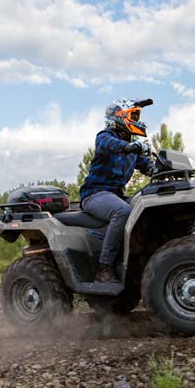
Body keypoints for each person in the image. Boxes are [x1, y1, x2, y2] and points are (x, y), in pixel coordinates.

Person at [80, 99, 156, 284]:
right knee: (123, 211)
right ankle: (104, 267)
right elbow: (111, 144)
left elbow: (147, 165)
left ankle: (136, 262)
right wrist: (130, 147)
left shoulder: (132, 147)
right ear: (119, 117)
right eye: (133, 116)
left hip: (115, 195)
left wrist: (159, 168)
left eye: (137, 116)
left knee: (147, 209)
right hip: (94, 194)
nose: (137, 120)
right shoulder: (105, 137)